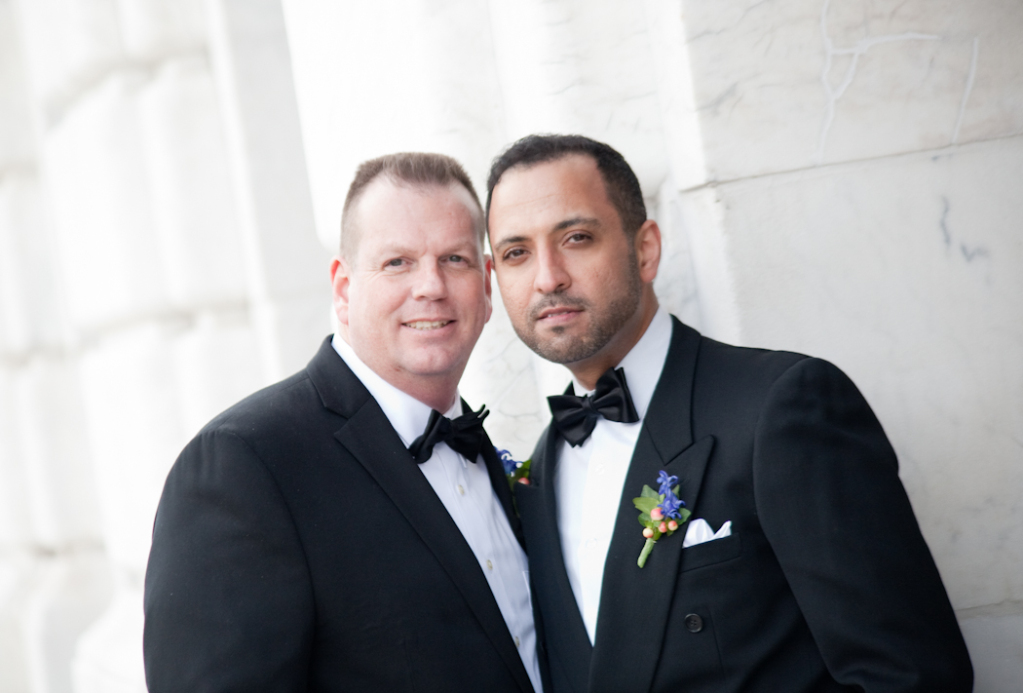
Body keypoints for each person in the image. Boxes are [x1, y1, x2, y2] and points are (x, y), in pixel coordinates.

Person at [485, 134, 972, 693]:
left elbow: (910, 675)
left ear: (645, 250)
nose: (548, 277)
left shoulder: (782, 406)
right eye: (517, 253)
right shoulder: (539, 472)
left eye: (576, 238)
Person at [144, 153, 543, 693]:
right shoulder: (245, 463)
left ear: (487, 287)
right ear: (343, 289)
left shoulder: (478, 445)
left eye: (454, 259)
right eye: (397, 262)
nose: (431, 286)